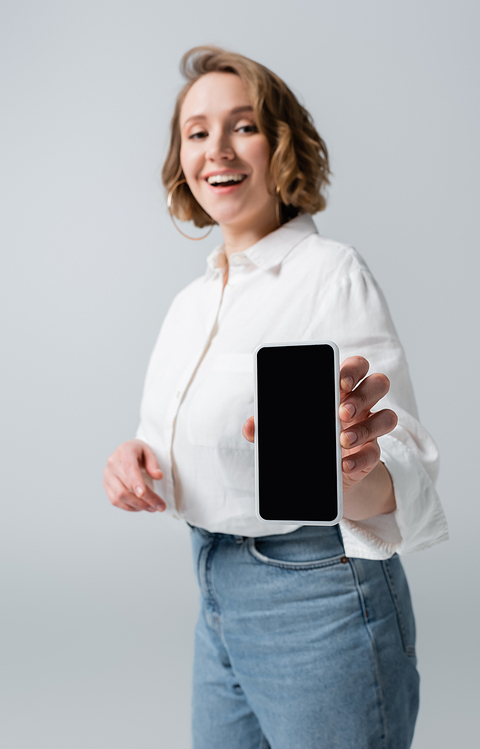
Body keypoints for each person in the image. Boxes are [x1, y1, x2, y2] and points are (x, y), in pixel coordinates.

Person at [103, 45, 449, 749]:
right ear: (181, 157)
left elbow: (403, 466)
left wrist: (352, 470)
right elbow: (177, 444)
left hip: (318, 597)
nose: (217, 148)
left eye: (243, 125)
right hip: (215, 593)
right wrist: (138, 460)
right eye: (196, 131)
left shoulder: (329, 272)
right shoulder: (190, 304)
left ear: (281, 143)